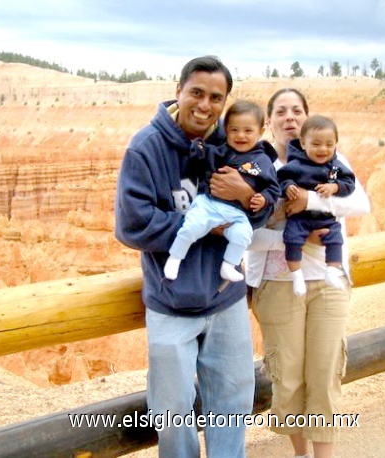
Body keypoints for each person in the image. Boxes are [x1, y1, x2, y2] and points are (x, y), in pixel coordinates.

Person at [209, 88, 370, 458]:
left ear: (307, 116)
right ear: (269, 121)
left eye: (297, 110)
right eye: (281, 111)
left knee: (326, 373)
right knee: (289, 376)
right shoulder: (255, 164)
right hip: (277, 285)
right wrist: (294, 238)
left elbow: (360, 203)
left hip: (329, 284)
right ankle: (300, 453)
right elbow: (243, 235)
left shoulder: (328, 154)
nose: (290, 117)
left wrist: (310, 201)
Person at [114, 56, 255, 458]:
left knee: (232, 404)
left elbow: (263, 206)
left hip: (226, 298)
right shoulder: (146, 148)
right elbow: (132, 224)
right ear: (178, 91)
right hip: (171, 304)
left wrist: (246, 196)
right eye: (196, 92)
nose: (205, 105)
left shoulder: (232, 146)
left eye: (216, 97)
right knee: (172, 410)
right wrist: (205, 226)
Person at [164, 99, 281, 283]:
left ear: (261, 131)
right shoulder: (222, 151)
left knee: (243, 235)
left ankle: (229, 265)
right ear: (226, 130)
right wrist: (197, 149)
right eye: (234, 130)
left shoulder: (264, 161)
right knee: (192, 226)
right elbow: (203, 159)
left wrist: (263, 198)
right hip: (210, 203)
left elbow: (274, 188)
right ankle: (175, 257)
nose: (240, 135)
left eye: (248, 130)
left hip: (238, 214)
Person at [277, 115, 355, 296]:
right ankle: (297, 275)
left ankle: (332, 271)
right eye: (316, 144)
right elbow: (281, 179)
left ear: (336, 143)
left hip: (326, 220)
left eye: (329, 144)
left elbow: (349, 184)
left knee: (336, 240)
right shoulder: (295, 165)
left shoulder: (336, 167)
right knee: (292, 239)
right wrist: (288, 186)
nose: (323, 149)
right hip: (300, 218)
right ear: (303, 144)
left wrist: (335, 186)